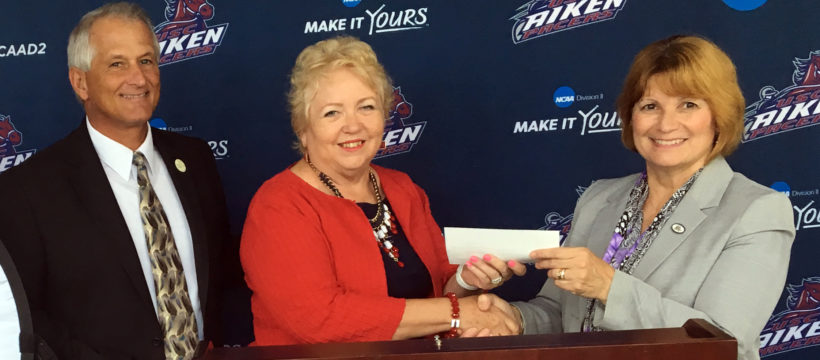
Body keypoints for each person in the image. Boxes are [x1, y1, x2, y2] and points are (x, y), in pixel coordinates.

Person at [468, 35, 795, 360]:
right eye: (650, 106)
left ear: (719, 116)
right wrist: (515, 320)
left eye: (689, 104)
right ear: (631, 116)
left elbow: (724, 343)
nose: (666, 124)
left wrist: (610, 287)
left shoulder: (756, 210)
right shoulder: (600, 197)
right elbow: (561, 313)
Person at [240, 36, 523, 345]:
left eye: (367, 107)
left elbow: (439, 291)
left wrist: (468, 282)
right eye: (332, 113)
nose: (353, 125)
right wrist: (456, 312)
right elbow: (320, 319)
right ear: (303, 130)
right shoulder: (279, 205)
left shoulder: (403, 189)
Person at [0, 2, 230, 359]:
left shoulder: (196, 159)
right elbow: (30, 315)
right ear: (80, 83)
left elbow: (221, 276)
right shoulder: (28, 190)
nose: (138, 78)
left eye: (146, 60)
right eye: (116, 64)